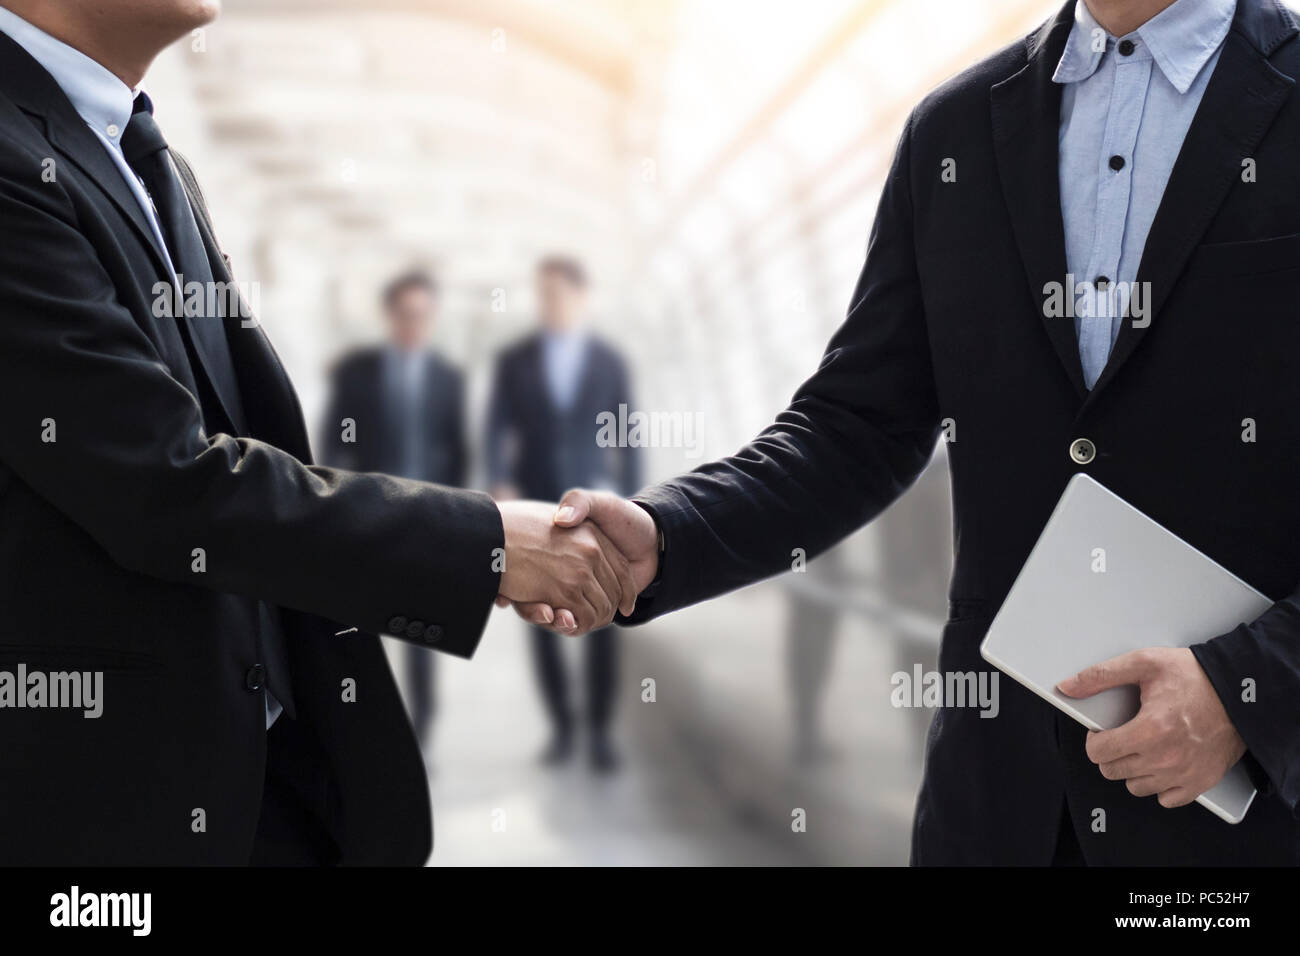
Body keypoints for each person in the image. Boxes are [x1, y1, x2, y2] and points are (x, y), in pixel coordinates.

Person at [510, 0, 1300, 865]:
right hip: (996, 803)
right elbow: (858, 423)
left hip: (1248, 816)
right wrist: (673, 530)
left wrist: (1251, 687)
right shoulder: (954, 131)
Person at [0, 0, 635, 865]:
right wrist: (485, 543)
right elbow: (162, 480)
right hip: (105, 806)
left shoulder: (146, 157)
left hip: (251, 778)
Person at [486, 256, 640, 770]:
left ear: (579, 296)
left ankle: (599, 731)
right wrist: (499, 485)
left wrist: (636, 506)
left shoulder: (610, 362)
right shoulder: (515, 360)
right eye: (542, 293)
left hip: (597, 507)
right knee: (543, 621)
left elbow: (629, 437)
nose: (548, 303)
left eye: (557, 293)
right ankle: (561, 728)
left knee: (604, 620)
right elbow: (494, 427)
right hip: (537, 508)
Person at [321, 269, 467, 751]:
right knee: (361, 625)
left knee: (425, 629)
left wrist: (459, 517)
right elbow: (332, 441)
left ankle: (420, 731)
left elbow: (459, 449)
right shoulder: (356, 371)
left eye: (422, 315)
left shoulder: (449, 378)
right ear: (390, 315)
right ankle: (363, 723)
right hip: (368, 514)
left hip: (430, 518)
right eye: (405, 314)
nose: (413, 324)